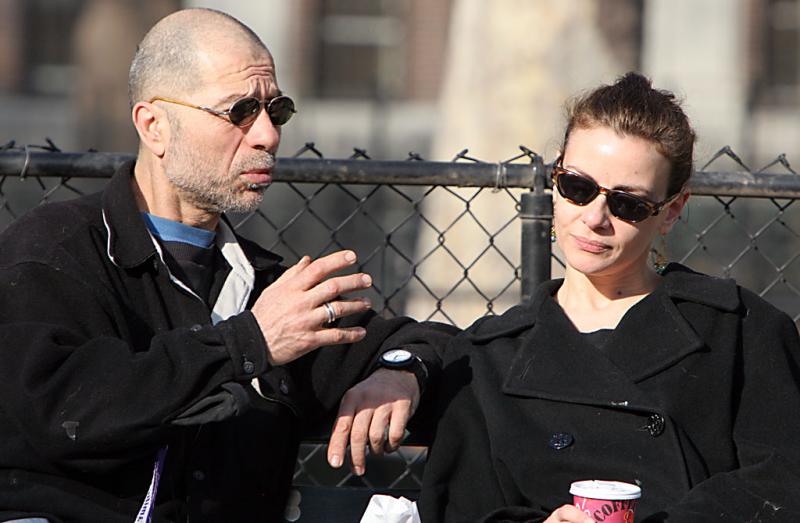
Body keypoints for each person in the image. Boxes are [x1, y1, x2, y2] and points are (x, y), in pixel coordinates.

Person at [0, 8, 448, 522]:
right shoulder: (56, 248)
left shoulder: (266, 286)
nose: (268, 137)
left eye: (275, 110)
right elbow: (64, 411)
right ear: (154, 125)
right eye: (239, 111)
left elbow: (433, 345)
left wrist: (402, 372)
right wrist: (248, 344)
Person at [417, 73, 800, 522]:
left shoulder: (741, 330)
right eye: (577, 188)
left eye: (628, 204)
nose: (595, 218)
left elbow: (782, 483)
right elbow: (459, 509)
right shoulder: (489, 357)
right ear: (555, 180)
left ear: (671, 211)